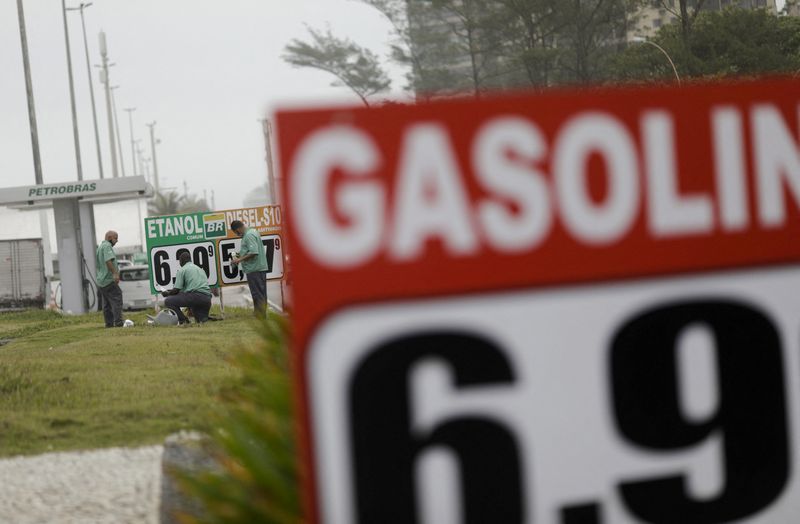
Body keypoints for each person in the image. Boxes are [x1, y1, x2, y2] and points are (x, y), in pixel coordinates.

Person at [161, 251, 212, 324]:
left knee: (168, 301)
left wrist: (167, 293)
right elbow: (186, 290)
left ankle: (183, 321)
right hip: (206, 299)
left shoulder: (183, 270)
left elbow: (176, 291)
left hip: (195, 297)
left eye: (179, 261)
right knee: (201, 321)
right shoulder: (200, 269)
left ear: (181, 261)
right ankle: (203, 319)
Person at [230, 219, 268, 317]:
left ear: (238, 229)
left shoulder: (248, 235)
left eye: (236, 233)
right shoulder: (252, 231)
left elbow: (254, 252)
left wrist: (239, 260)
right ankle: (258, 313)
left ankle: (261, 315)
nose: (237, 235)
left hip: (255, 268)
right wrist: (240, 254)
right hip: (258, 267)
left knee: (257, 293)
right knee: (260, 292)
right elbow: (250, 250)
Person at [96, 230, 124, 327]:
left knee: (106, 303)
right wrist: (115, 274)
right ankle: (119, 322)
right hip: (108, 280)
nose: (116, 241)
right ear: (109, 237)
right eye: (115, 238)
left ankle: (109, 323)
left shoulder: (100, 247)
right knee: (117, 298)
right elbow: (108, 260)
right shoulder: (107, 246)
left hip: (101, 281)